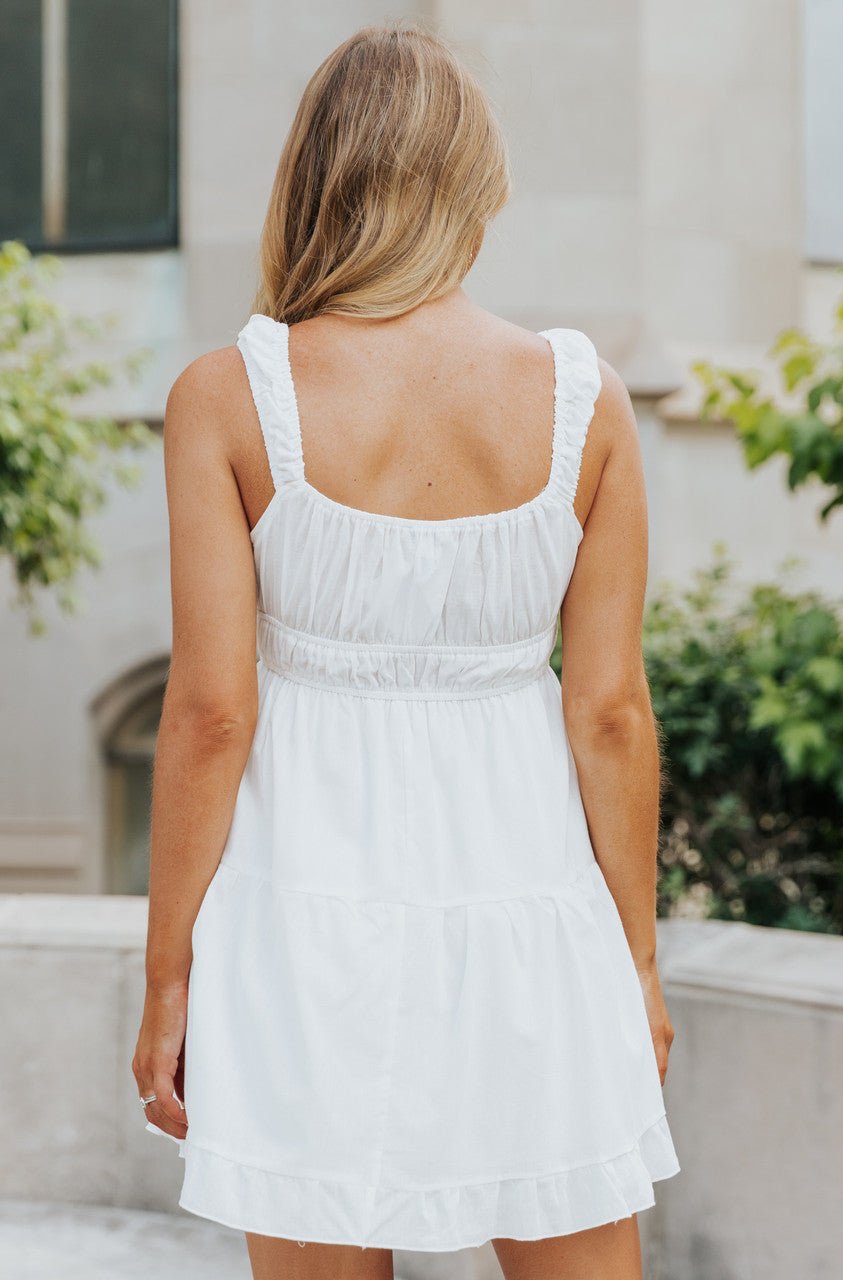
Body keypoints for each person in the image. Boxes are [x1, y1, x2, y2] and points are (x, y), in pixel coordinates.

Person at [133, 20, 679, 1280]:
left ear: (314, 177)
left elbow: (210, 713)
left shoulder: (226, 395)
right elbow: (608, 710)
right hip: (532, 907)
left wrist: (168, 980)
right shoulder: (583, 400)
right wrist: (636, 966)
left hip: (302, 910)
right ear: (475, 182)